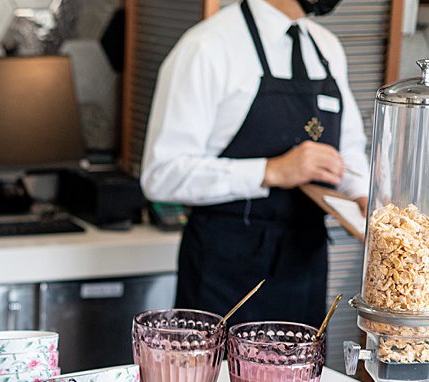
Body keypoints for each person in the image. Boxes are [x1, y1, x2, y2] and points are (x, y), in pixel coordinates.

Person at [140, 0, 369, 326]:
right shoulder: (207, 46)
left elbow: (349, 151)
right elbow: (160, 174)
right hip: (225, 272)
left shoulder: (327, 47)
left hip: (305, 265)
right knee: (216, 378)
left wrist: (364, 197)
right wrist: (270, 171)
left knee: (302, 378)